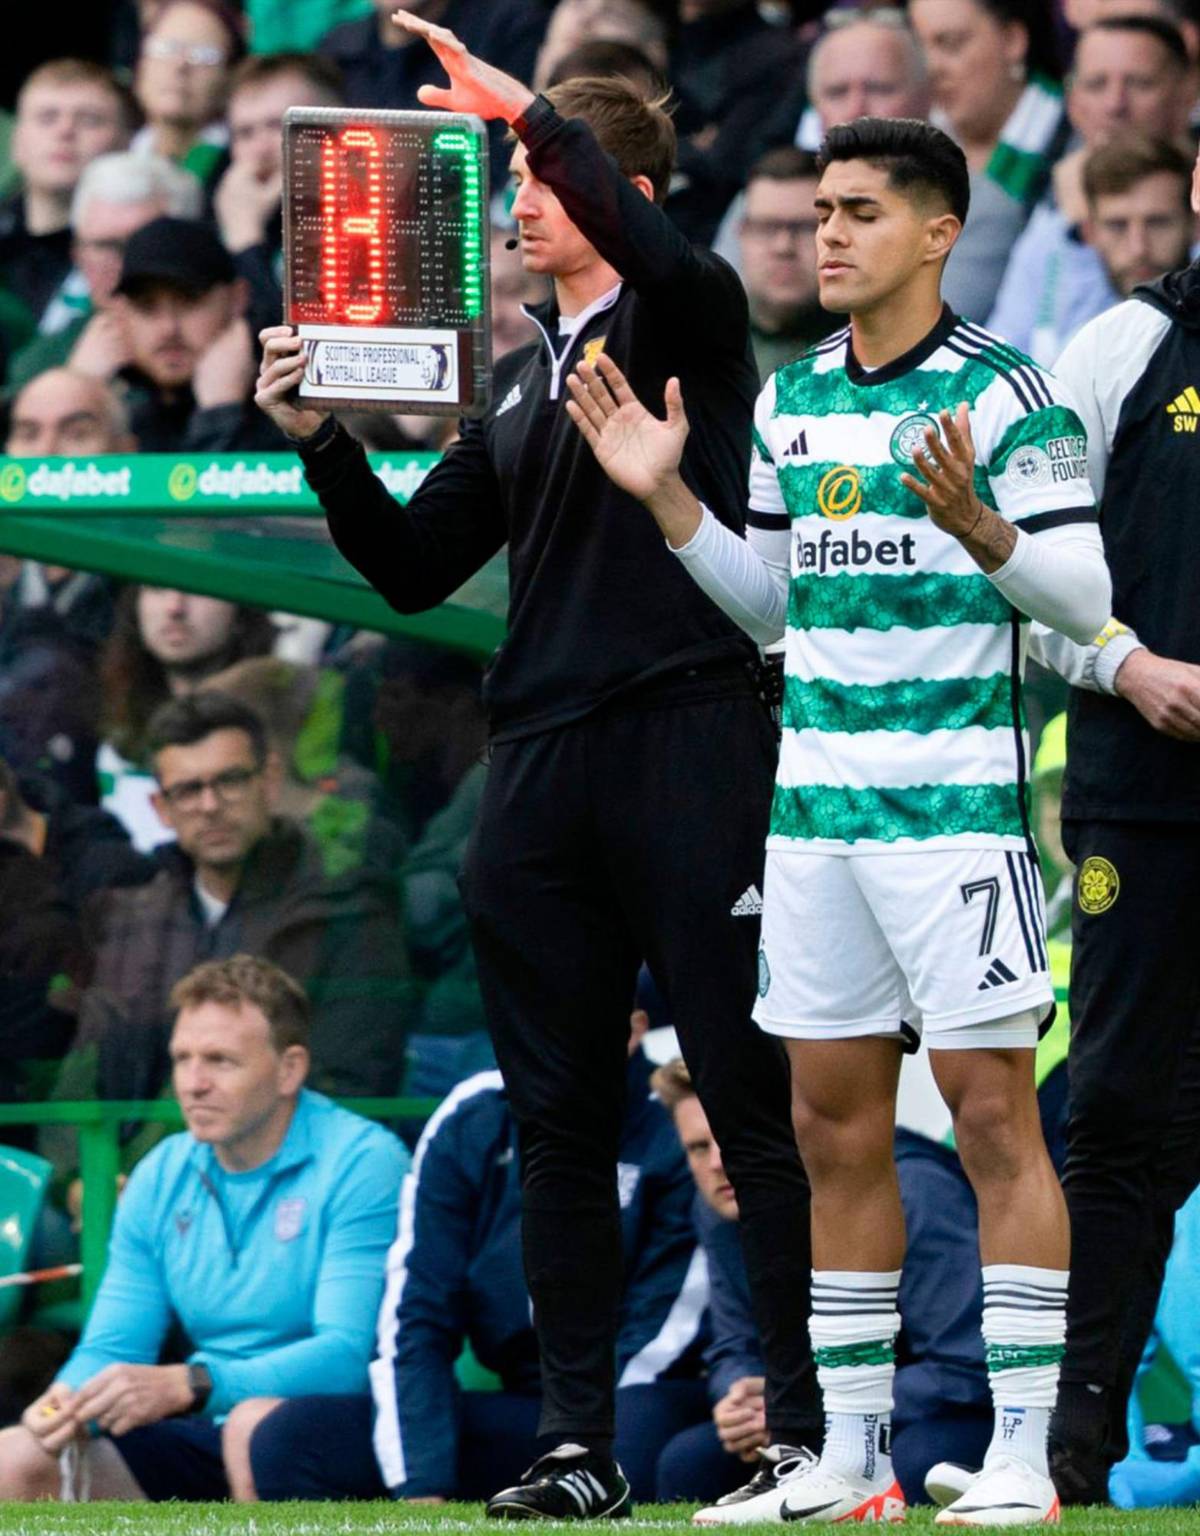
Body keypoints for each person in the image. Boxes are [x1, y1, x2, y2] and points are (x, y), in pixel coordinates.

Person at [257, 10, 823, 1520]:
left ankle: (818, 1434)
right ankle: (577, 1448)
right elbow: (407, 569)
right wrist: (320, 439)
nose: (516, 200)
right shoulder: (515, 379)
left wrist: (531, 108)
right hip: (543, 766)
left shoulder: (682, 323)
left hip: (696, 741)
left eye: (540, 177)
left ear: (614, 194)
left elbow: (682, 261)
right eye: (516, 174)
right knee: (555, 1117)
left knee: (749, 1099)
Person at [564, 116, 1111, 1525]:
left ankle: (1023, 1457)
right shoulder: (796, 398)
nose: (828, 236)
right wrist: (672, 499)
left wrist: (991, 539)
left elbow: (1086, 604)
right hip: (814, 817)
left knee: (994, 1117)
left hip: (954, 814)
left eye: (862, 212)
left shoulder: (1012, 396)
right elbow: (777, 616)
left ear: (939, 233)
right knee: (827, 1128)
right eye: (820, 213)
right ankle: (853, 1459)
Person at [217, 1017, 709, 1504]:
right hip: (525, 1409)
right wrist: (422, 1483)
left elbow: (664, 1329)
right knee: (293, 1438)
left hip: (632, 1401)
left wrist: (582, 1441)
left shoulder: (675, 1122)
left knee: (641, 1441)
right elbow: (416, 1316)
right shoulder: (475, 1113)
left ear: (633, 1026)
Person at [1029, 140, 1200, 1507]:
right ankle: (1072, 1439)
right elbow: (1027, 562)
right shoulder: (1120, 350)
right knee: (1122, 1113)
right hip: (1145, 801)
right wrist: (1128, 663)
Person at [0, 954, 408, 1502]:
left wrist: (191, 1383)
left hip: (336, 1427)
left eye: (220, 1061)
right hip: (207, 1419)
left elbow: (345, 1358)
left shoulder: (363, 1162)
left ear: (289, 1069)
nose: (193, 1084)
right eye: (182, 1059)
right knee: (14, 1460)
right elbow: (113, 1346)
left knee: (255, 1434)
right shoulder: (161, 1173)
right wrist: (64, 1406)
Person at [55, 690, 415, 1124]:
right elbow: (83, 1075)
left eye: (229, 781)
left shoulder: (346, 909)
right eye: (188, 790)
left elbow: (351, 1086)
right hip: (122, 1181)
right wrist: (74, 1181)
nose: (210, 807)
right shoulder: (135, 916)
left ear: (270, 781)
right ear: (161, 808)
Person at [987, 16, 1195, 361]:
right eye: (1097, 84)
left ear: (1187, 94)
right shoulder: (1053, 219)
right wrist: (1079, 239)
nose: (1116, 104)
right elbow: (1006, 359)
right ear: (1073, 103)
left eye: (1140, 83)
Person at [910, 0, 1068, 321]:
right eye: (918, 48)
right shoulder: (909, 139)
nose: (931, 66)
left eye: (950, 44)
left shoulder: (1072, 140)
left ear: (1013, 41)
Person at [8, 150, 204, 391]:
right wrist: (77, 383)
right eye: (105, 246)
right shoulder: (42, 359)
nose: (124, 263)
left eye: (143, 243)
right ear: (78, 255)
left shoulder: (227, 344)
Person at [98, 586, 276, 849]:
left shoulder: (280, 730)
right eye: (157, 587)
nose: (175, 608)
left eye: (197, 587)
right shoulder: (116, 742)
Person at [101, 215, 286, 454]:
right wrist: (83, 394)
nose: (168, 328)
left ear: (238, 299)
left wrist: (220, 416)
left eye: (189, 300)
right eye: (147, 306)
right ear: (119, 312)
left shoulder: (290, 409)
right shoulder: (119, 410)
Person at [213, 52, 346, 339]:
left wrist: (246, 239)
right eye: (245, 133)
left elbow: (294, 348)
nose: (260, 149)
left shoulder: (367, 224)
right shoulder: (219, 215)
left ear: (338, 126)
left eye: (277, 126)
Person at [0, 60, 135, 334]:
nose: (65, 131)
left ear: (127, 143)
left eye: (89, 120)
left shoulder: (141, 250)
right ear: (17, 142)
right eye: (47, 117)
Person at [737, 149, 834, 383]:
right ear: (742, 234)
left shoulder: (883, 351)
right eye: (767, 227)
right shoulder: (696, 342)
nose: (783, 247)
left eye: (805, 227)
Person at [131, 0, 245, 187]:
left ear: (229, 77)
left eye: (204, 55)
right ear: (140, 64)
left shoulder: (241, 167)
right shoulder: (112, 153)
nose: (180, 65)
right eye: (166, 48)